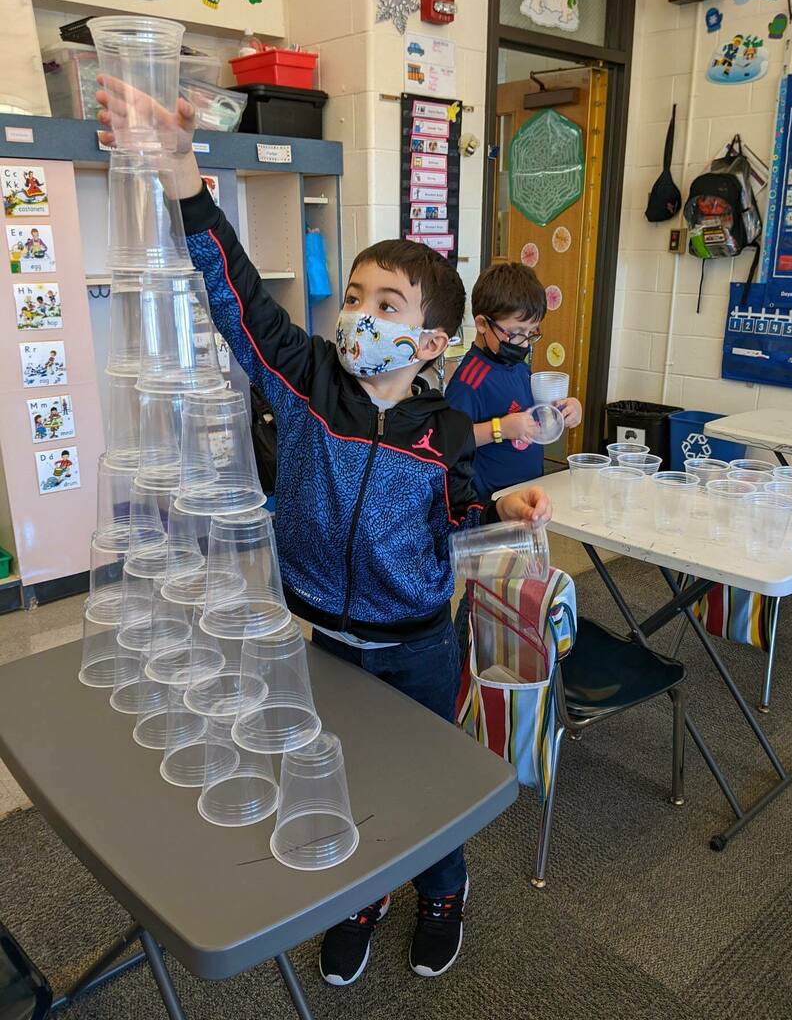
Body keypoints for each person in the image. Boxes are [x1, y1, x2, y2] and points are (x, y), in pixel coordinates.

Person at [97, 81, 551, 986]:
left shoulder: (444, 433)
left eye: (388, 306)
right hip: (324, 642)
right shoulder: (305, 380)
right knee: (340, 783)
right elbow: (235, 302)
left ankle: (442, 890)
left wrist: (500, 510)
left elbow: (456, 517)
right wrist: (187, 178)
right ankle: (361, 897)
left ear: (431, 344)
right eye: (354, 296)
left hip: (419, 645)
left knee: (425, 790)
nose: (361, 316)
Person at [445, 263, 583, 501]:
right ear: (482, 324)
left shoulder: (518, 366)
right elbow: (449, 441)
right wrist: (499, 429)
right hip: (492, 505)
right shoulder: (470, 380)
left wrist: (567, 410)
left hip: (528, 495)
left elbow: (530, 415)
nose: (524, 343)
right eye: (516, 332)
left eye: (531, 333)